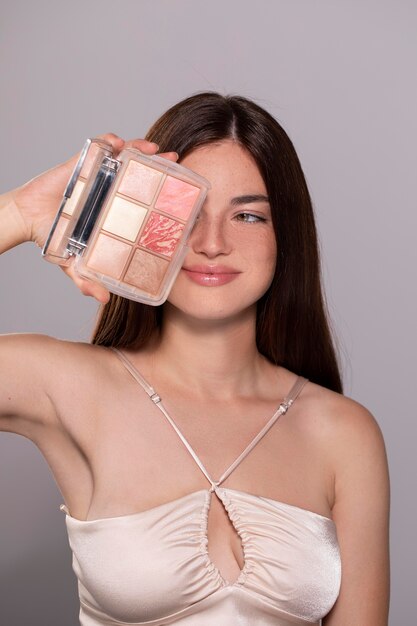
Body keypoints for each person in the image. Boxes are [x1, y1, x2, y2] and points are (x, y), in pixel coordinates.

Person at [0, 93, 389, 625]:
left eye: (248, 215)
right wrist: (19, 213)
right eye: (186, 214)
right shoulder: (66, 387)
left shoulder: (343, 433)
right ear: (142, 222)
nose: (211, 243)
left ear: (285, 237)